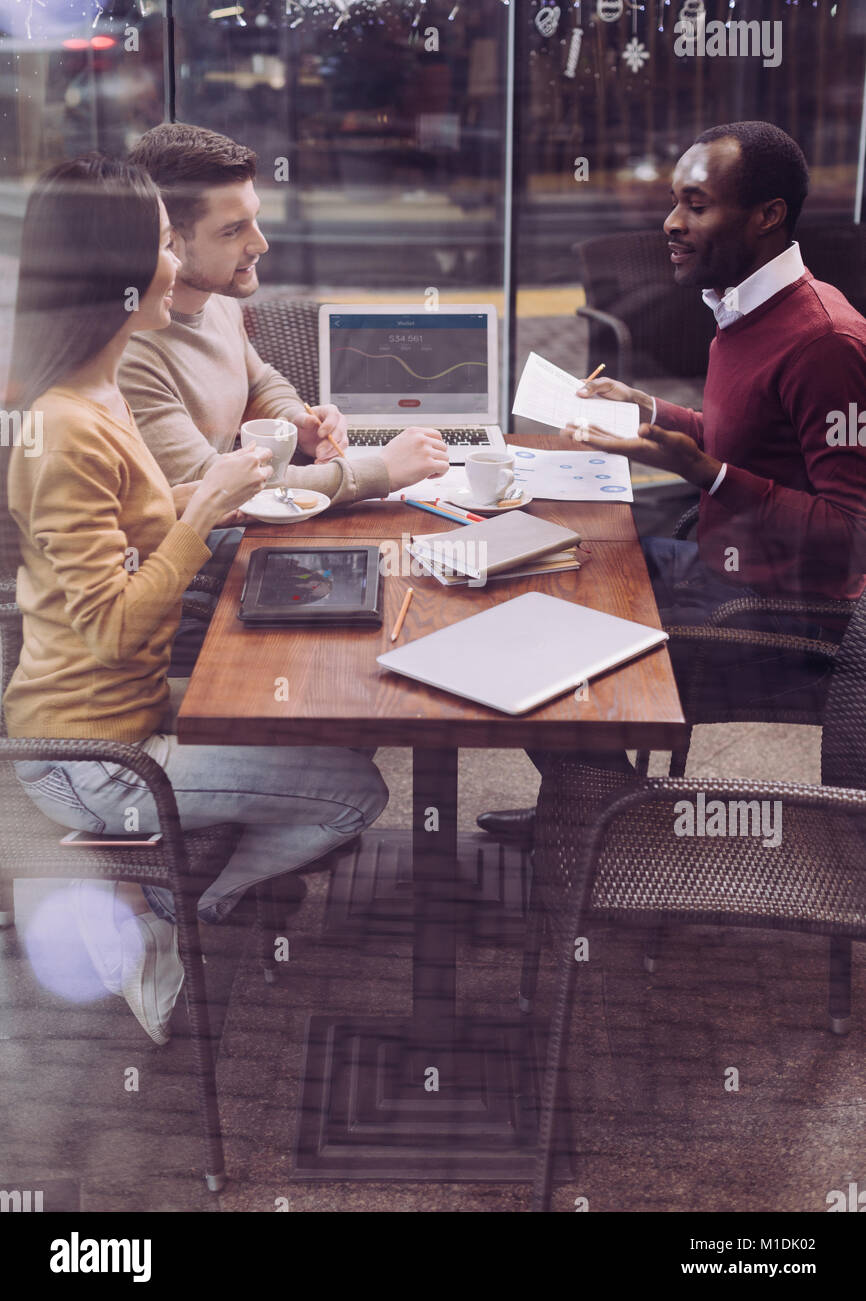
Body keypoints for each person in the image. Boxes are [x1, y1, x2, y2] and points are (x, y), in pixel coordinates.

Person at [3, 155, 389, 1044]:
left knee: (329, 706)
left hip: (124, 712)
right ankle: (179, 912)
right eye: (162, 243)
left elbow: (134, 524)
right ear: (129, 274)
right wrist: (209, 503)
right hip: (93, 757)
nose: (177, 258)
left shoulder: (95, 388)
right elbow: (108, 626)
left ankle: (160, 893)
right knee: (353, 795)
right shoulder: (65, 426)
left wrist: (211, 489)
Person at [479, 120, 866, 839]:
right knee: (529, 576)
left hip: (779, 616)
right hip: (721, 571)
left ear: (767, 216)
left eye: (695, 204)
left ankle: (609, 822)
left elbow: (852, 536)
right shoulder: (747, 304)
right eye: (674, 201)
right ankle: (596, 807)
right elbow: (755, 433)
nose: (671, 223)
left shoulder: (824, 342)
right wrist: (653, 411)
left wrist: (708, 476)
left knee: (530, 647)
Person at [119, 123, 449, 670]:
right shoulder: (133, 351)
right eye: (233, 231)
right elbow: (226, 494)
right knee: (392, 603)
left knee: (408, 583)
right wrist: (379, 472)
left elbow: (259, 377)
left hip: (236, 549)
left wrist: (295, 419)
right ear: (170, 241)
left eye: (256, 218)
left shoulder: (213, 298)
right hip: (187, 591)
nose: (259, 243)